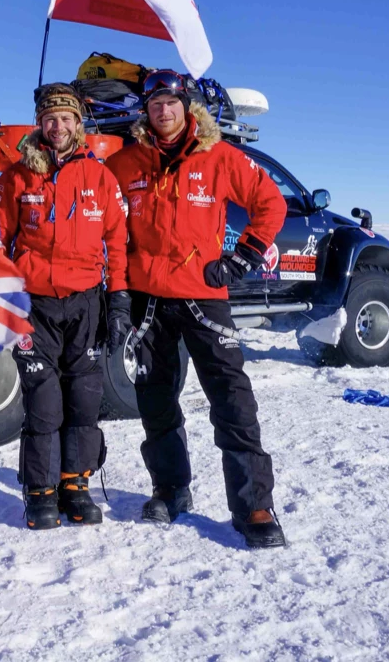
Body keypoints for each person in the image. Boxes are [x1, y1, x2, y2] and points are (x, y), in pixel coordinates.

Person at [105, 70, 289, 548]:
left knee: (232, 398)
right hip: (148, 300)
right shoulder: (125, 164)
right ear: (144, 112)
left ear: (188, 107)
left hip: (204, 297)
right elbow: (107, 229)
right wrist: (118, 294)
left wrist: (243, 255)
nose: (163, 110)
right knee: (155, 399)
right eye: (154, 104)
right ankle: (170, 488)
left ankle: (253, 505)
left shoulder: (219, 156)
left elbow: (269, 202)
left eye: (171, 102)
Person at [0, 83, 130, 529]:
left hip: (86, 303)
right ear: (41, 123)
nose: (58, 126)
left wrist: (118, 301)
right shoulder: (18, 176)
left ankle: (76, 484)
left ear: (78, 123)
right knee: (45, 402)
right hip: (35, 304)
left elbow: (117, 243)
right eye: (50, 118)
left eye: (66, 118)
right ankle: (40, 489)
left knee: (84, 399)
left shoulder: (100, 177)